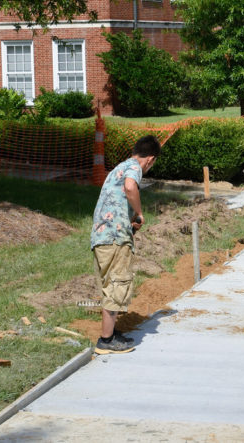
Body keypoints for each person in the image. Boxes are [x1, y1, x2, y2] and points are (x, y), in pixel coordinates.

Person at [90, 135, 160, 355]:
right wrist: (139, 213)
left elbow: (117, 199)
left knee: (111, 283)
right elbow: (130, 188)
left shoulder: (120, 166)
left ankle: (111, 332)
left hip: (103, 235)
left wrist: (129, 219)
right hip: (114, 238)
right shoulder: (135, 169)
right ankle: (106, 341)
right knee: (118, 284)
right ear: (150, 159)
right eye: (152, 163)